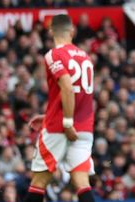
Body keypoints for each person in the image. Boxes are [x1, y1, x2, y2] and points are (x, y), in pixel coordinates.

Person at [24, 14, 96, 202]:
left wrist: (66, 121)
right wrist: (50, 114)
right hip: (84, 128)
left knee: (39, 182)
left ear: (50, 31)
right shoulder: (86, 57)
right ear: (72, 31)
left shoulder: (53, 54)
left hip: (60, 127)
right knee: (82, 182)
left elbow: (67, 85)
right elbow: (78, 95)